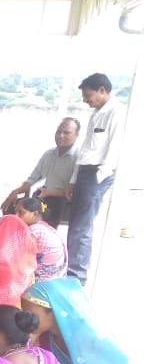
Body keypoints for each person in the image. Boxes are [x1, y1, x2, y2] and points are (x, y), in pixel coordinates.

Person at [65, 73, 125, 283]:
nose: (86, 100)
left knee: (82, 226)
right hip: (84, 171)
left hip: (98, 173)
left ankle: (76, 277)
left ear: (102, 90)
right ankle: (70, 270)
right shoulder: (96, 114)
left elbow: (114, 148)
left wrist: (99, 178)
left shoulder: (116, 112)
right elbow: (85, 150)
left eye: (89, 95)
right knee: (76, 224)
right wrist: (74, 180)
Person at [1, 117, 80, 227]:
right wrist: (15, 192)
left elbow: (77, 191)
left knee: (44, 208)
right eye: (58, 132)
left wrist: (50, 192)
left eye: (66, 133)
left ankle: (40, 236)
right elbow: (32, 179)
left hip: (63, 200)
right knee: (11, 206)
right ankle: (15, 239)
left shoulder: (79, 157)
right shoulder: (49, 154)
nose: (61, 136)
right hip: (44, 196)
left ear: (77, 135)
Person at [14, 197, 67, 280]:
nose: (16, 216)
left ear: (35, 214)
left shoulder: (34, 230)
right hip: (56, 277)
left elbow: (16, 254)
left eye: (21, 213)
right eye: (15, 212)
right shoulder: (47, 228)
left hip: (42, 280)